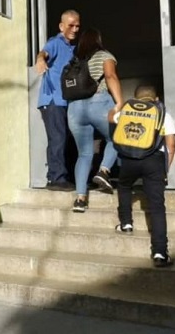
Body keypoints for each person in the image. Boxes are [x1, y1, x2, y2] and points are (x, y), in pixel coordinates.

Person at [111, 84, 175, 267]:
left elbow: (111, 118)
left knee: (124, 186)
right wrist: (165, 169)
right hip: (154, 162)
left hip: (129, 160)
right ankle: (160, 253)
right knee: (157, 206)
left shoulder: (126, 111)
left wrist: (116, 107)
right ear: (155, 98)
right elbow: (171, 145)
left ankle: (126, 223)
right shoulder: (163, 114)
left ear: (136, 98)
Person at [67, 27, 124, 212]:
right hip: (99, 103)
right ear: (98, 40)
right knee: (117, 138)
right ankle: (104, 170)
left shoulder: (76, 60)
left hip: (75, 108)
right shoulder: (104, 55)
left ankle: (80, 199)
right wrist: (119, 102)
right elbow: (110, 76)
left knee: (84, 154)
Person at [35, 10, 79, 189]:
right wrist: (40, 60)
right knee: (58, 138)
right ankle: (56, 178)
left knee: (65, 139)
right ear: (62, 26)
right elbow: (43, 53)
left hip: (65, 102)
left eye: (77, 26)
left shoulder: (72, 48)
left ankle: (63, 175)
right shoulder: (55, 42)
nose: (75, 29)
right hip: (52, 100)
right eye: (71, 25)